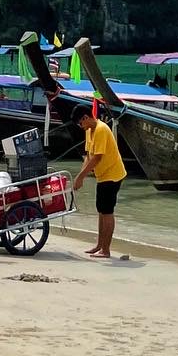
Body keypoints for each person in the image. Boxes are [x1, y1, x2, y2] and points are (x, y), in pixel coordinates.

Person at [73, 108, 127, 258]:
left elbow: (97, 157)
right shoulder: (89, 130)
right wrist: (80, 175)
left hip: (113, 174)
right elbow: (88, 156)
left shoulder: (101, 129)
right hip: (102, 176)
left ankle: (106, 250)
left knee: (107, 211)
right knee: (101, 210)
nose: (80, 127)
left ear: (85, 118)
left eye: (80, 124)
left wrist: (81, 177)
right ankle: (99, 245)